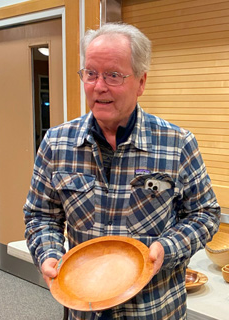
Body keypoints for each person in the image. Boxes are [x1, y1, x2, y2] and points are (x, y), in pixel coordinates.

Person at [24, 22, 221, 319]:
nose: (98, 86)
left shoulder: (177, 143)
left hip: (154, 310)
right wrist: (49, 253)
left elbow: (205, 214)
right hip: (84, 308)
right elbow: (40, 215)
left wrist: (165, 249)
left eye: (113, 75)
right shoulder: (57, 143)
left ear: (141, 82)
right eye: (90, 73)